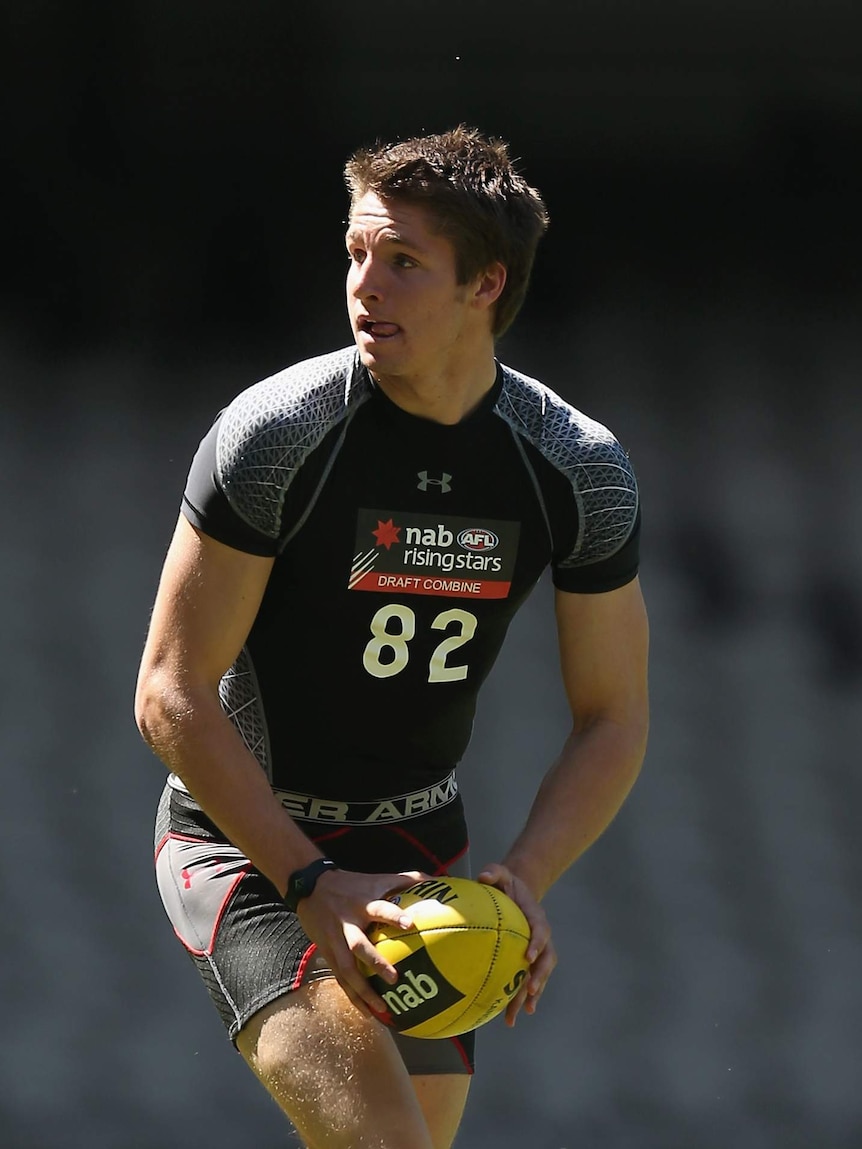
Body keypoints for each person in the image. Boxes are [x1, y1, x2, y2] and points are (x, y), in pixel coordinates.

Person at [134, 125, 649, 1149]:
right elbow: (169, 693)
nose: (364, 285)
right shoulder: (278, 433)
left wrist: (525, 877)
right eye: (357, 252)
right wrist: (311, 884)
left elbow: (613, 717)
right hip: (245, 848)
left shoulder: (576, 468)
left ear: (486, 285)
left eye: (403, 261)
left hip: (419, 855)